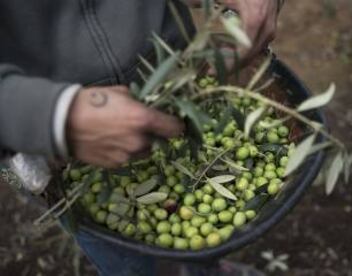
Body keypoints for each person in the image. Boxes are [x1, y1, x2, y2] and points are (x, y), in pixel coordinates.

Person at [0, 0, 284, 275]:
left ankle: (202, 268)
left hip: (172, 79)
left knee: (197, 233)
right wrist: (51, 117)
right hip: (55, 140)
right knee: (117, 250)